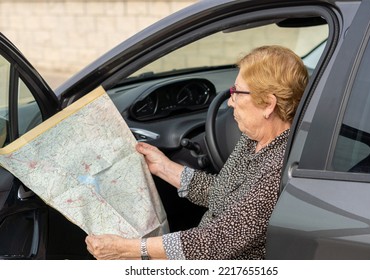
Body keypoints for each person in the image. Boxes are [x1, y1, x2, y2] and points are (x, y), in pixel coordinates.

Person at [85, 45, 309, 260]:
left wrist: (127, 249)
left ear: (268, 104)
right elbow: (222, 194)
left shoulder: (278, 167)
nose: (230, 102)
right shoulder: (253, 139)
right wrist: (163, 167)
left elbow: (214, 243)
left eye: (237, 92)